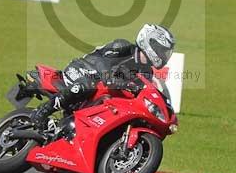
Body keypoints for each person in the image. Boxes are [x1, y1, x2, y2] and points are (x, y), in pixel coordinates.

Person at [30, 24, 175, 131]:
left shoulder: (147, 73)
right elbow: (101, 62)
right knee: (88, 85)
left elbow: (146, 91)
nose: (163, 55)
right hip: (82, 70)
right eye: (161, 50)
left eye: (166, 53)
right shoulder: (123, 47)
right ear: (150, 43)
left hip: (104, 90)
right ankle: (42, 111)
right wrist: (110, 77)